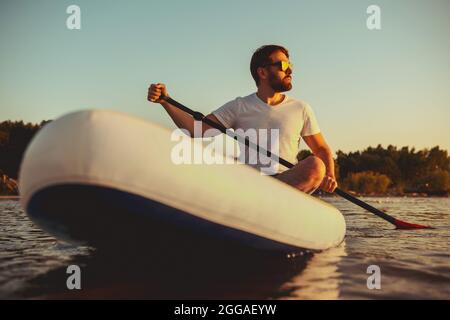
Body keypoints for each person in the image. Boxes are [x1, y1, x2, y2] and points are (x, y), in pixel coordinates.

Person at [147, 45, 337, 194]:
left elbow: (320, 149)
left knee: (315, 165)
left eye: (290, 66)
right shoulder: (239, 106)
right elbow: (196, 130)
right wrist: (166, 101)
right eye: (283, 65)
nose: (289, 71)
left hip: (287, 182)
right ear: (262, 72)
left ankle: (276, 200)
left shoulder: (301, 108)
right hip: (250, 183)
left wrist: (329, 175)